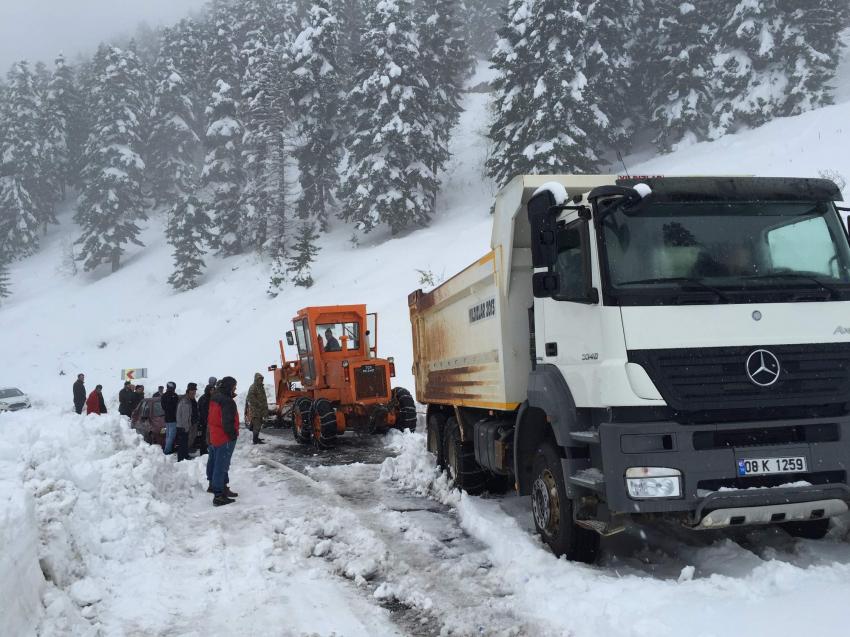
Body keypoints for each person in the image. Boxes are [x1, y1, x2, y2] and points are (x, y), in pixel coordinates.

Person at [207, 376, 239, 506]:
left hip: (215, 436)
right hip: (224, 437)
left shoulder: (216, 396)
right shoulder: (227, 401)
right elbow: (227, 422)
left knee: (215, 462)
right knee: (222, 465)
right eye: (234, 386)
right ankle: (218, 495)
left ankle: (219, 486)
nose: (235, 388)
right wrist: (233, 435)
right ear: (229, 386)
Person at [175, 383, 198, 462]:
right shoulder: (185, 402)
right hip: (182, 427)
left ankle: (185, 456)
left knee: (185, 443)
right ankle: (181, 459)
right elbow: (184, 417)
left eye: (194, 393)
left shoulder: (188, 400)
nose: (193, 395)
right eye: (192, 393)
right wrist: (186, 427)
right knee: (182, 444)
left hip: (185, 426)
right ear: (188, 392)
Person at [246, 372, 268, 445]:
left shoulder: (260, 387)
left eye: (261, 379)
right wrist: (258, 403)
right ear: (256, 379)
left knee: (258, 424)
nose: (261, 380)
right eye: (259, 379)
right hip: (256, 410)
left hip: (260, 410)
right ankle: (255, 440)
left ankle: (256, 437)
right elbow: (250, 397)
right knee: (257, 425)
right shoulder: (253, 387)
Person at [199, 378, 216, 459]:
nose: (212, 391)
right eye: (211, 390)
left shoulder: (212, 398)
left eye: (213, 390)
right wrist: (206, 420)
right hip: (206, 421)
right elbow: (203, 411)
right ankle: (203, 451)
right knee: (205, 437)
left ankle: (207, 449)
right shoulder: (204, 398)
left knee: (209, 436)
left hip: (211, 421)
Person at [161, 381, 179, 455]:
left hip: (167, 418)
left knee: (168, 436)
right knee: (171, 436)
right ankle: (167, 451)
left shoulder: (164, 395)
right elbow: (176, 407)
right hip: (173, 419)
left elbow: (163, 407)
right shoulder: (174, 396)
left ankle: (167, 449)